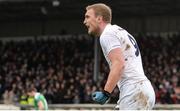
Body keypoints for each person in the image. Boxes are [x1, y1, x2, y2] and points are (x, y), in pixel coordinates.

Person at [83, 3, 155, 110]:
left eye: (87, 17)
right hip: (141, 89)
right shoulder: (118, 31)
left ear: (99, 18)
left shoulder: (107, 35)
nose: (85, 21)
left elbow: (119, 64)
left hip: (134, 91)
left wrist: (106, 93)